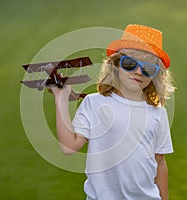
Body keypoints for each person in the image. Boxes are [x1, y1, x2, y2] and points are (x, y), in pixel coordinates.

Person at [50, 24, 175, 200]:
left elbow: (160, 163)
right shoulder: (94, 102)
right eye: (130, 64)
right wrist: (61, 99)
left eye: (148, 69)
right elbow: (69, 146)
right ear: (115, 65)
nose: (139, 72)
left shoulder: (157, 113)